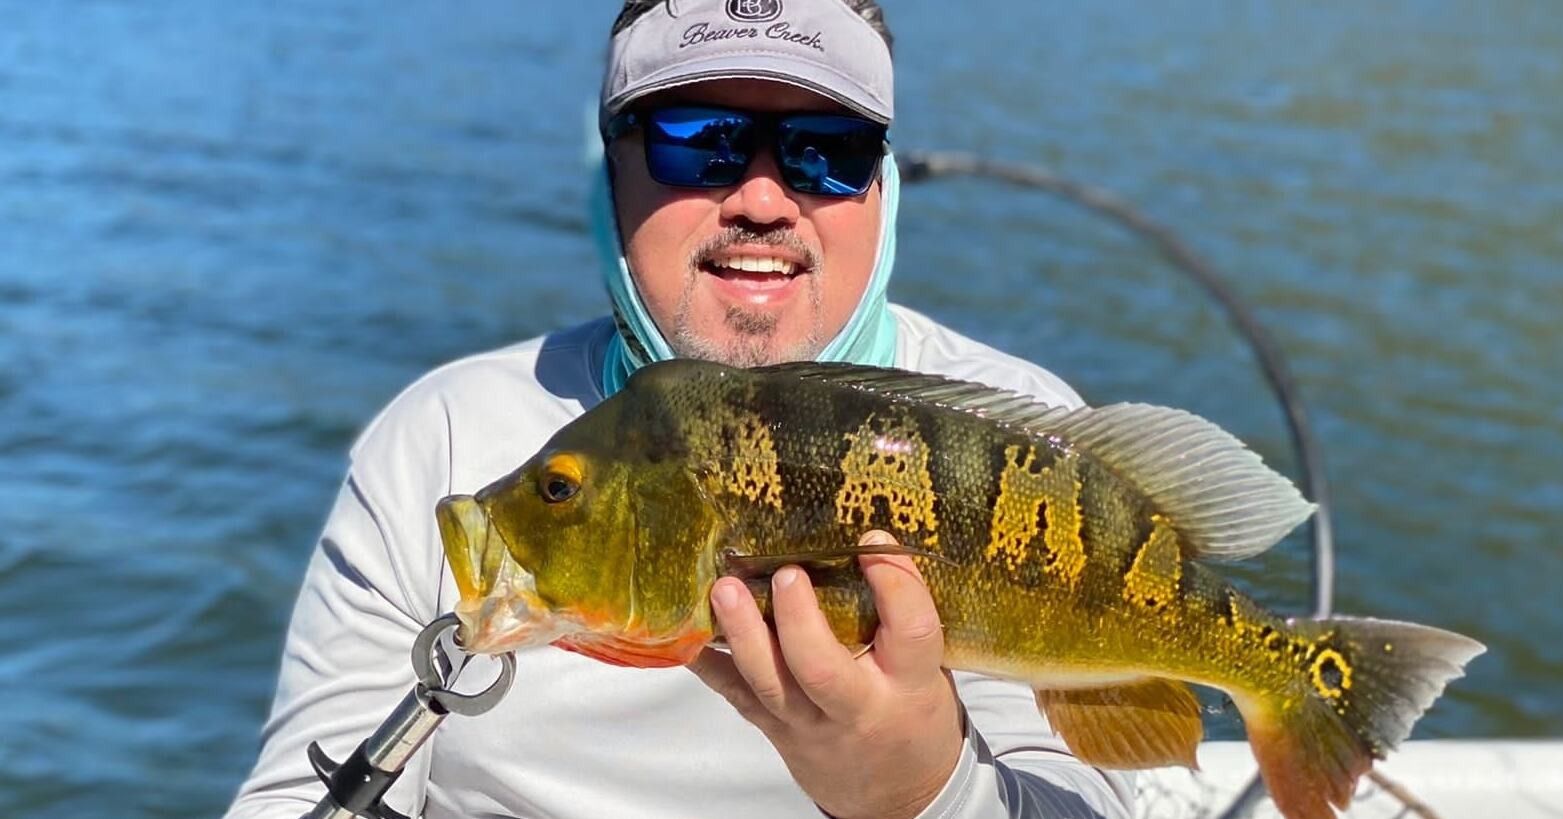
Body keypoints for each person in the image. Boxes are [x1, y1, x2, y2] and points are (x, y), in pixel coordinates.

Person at [227, 1, 1134, 817]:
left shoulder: (1020, 440)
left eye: (829, 150)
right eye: (698, 139)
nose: (764, 199)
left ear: (882, 188)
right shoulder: (441, 440)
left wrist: (925, 794)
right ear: (611, 173)